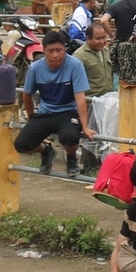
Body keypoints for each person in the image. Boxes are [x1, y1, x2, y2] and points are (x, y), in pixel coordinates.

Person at [14, 30, 91, 175]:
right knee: (21, 144)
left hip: (68, 112)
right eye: (50, 51)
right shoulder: (35, 68)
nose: (55, 55)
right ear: (44, 51)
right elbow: (26, 94)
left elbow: (80, 98)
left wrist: (85, 126)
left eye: (59, 50)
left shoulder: (75, 65)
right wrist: (32, 116)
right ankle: (46, 151)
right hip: (46, 112)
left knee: (70, 137)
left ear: (65, 49)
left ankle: (71, 157)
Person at [76, 16, 115, 94]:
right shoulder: (79, 56)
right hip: (92, 101)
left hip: (108, 98)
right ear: (88, 38)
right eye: (98, 39)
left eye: (104, 38)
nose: (102, 41)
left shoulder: (106, 51)